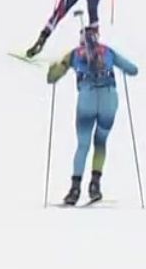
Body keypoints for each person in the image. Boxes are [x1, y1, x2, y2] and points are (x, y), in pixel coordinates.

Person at [45, 22, 139, 206]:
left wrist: (54, 66)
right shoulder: (108, 52)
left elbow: (52, 77)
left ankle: (75, 189)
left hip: (86, 99)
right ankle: (95, 185)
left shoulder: (74, 55)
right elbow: (133, 70)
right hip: (109, 100)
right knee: (100, 142)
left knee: (83, 144)